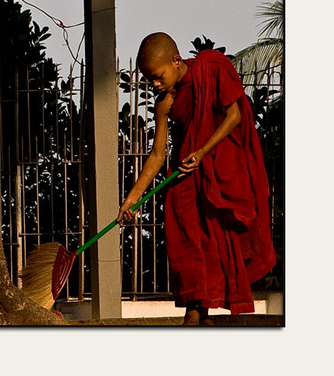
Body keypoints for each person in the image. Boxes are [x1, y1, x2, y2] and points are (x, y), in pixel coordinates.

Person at [117, 32, 276, 325]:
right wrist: (133, 198)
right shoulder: (165, 103)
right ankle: (194, 308)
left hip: (214, 165)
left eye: (158, 76)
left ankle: (204, 309)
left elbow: (235, 115)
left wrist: (202, 151)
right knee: (183, 233)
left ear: (177, 61)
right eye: (149, 79)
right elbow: (156, 154)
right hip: (186, 175)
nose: (155, 84)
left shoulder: (211, 68)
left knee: (214, 237)